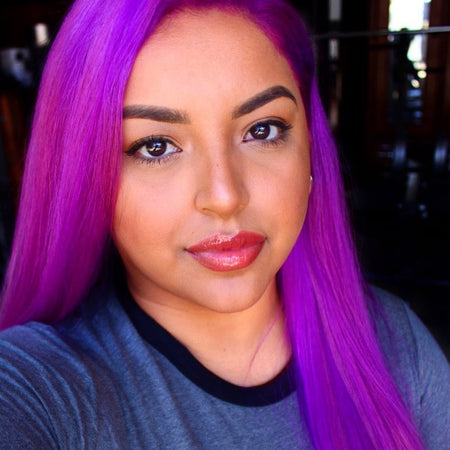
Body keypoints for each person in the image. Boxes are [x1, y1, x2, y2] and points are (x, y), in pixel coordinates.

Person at [0, 0, 448, 448]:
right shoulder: (37, 389)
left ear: (310, 150)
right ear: (85, 179)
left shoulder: (397, 345)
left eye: (263, 130)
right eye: (156, 147)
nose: (225, 197)